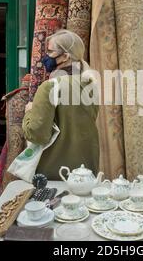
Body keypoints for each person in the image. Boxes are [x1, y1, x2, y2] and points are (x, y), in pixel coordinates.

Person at [22, 30, 99, 180]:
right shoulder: (91, 84)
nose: (46, 57)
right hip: (87, 168)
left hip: (56, 171)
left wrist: (29, 112)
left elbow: (38, 135)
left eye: (50, 52)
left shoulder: (50, 87)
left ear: (65, 56)